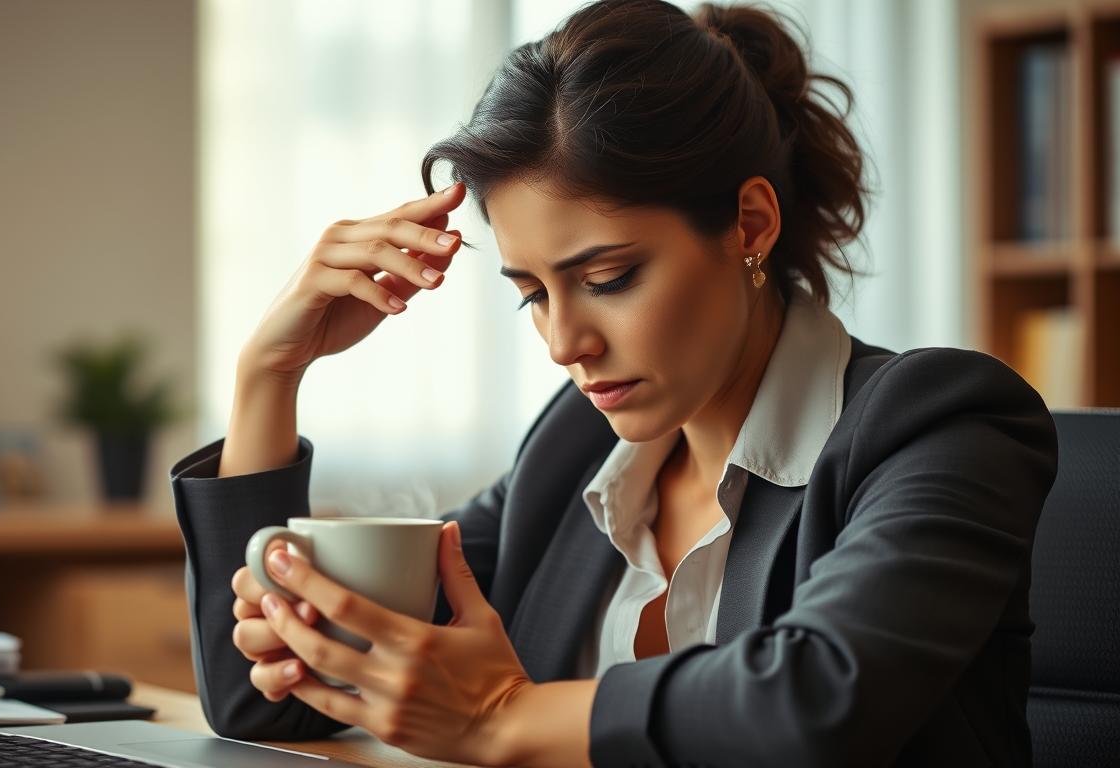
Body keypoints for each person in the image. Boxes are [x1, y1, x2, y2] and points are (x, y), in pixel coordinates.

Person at [168, 1, 1058, 765]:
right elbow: (272, 706)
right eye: (531, 296)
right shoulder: (579, 447)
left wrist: (499, 715)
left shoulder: (941, 424)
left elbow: (817, 704)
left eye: (608, 278)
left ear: (749, 224)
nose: (565, 342)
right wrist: (269, 377)